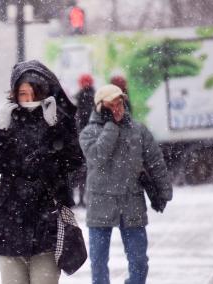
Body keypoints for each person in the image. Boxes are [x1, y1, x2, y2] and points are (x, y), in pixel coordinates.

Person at [0, 60, 84, 284]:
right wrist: (1, 131)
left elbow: (75, 163)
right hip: (9, 222)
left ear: (44, 92)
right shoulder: (5, 121)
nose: (28, 99)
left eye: (33, 93)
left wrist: (54, 128)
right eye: (22, 93)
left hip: (47, 221)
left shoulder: (58, 119)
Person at [79, 84, 173, 284]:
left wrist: (164, 192)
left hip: (132, 202)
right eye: (111, 104)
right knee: (99, 263)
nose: (117, 108)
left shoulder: (138, 130)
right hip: (100, 205)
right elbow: (97, 157)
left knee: (139, 261)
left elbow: (155, 162)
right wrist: (111, 126)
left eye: (120, 102)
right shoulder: (88, 132)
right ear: (100, 107)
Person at [73, 73, 95, 207]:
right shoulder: (95, 97)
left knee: (81, 170)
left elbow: (76, 117)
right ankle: (87, 198)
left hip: (80, 137)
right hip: (93, 137)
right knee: (90, 169)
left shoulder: (78, 97)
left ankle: (81, 198)